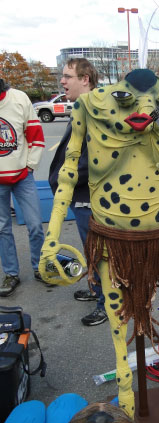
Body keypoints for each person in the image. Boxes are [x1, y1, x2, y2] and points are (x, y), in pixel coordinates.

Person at [49, 58, 107, 326]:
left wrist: (68, 179)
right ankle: (96, 290)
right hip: (80, 195)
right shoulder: (84, 107)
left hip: (89, 196)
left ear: (85, 79)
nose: (63, 81)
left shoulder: (95, 110)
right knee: (90, 249)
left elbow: (97, 157)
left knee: (99, 253)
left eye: (68, 76)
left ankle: (106, 304)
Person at [0, 78, 46, 297]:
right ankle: (11, 274)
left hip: (22, 176)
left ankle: (39, 267)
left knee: (36, 225)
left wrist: (30, 166)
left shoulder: (19, 98)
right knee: (2, 229)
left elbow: (36, 136)